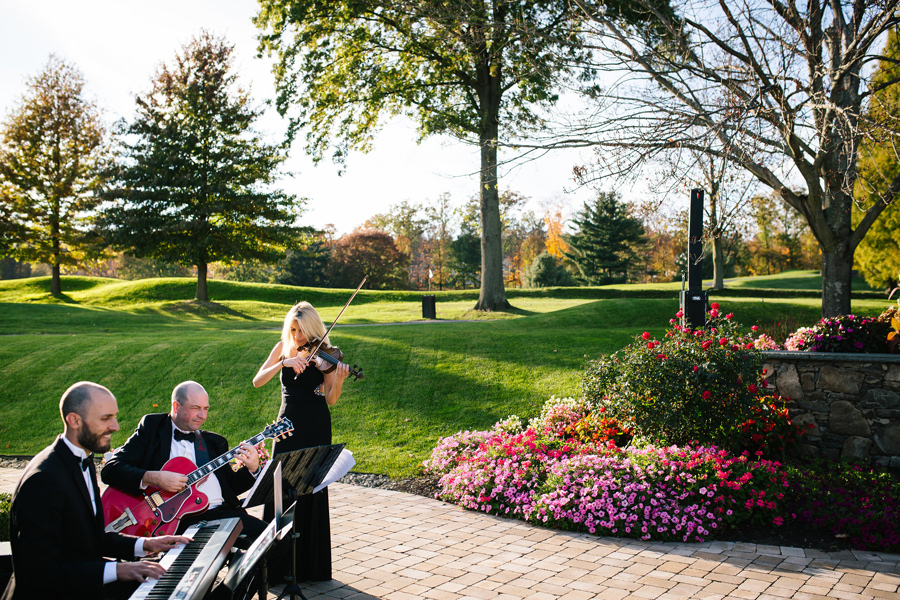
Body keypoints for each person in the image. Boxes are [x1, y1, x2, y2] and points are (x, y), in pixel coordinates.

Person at [1, 382, 191, 600]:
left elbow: (89, 538)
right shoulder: (43, 480)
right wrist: (118, 570)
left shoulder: (84, 460)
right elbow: (41, 571)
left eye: (115, 416)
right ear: (74, 420)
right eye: (105, 418)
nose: (116, 426)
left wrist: (145, 544)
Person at [252, 301, 349, 581]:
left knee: (312, 490)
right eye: (293, 329)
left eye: (303, 331)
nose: (297, 337)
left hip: (316, 425)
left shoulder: (327, 354)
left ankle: (310, 567)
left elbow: (330, 397)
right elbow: (258, 381)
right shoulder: (282, 347)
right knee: (280, 488)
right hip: (286, 427)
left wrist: (338, 380)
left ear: (314, 329)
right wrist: (285, 361)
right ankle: (277, 567)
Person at [100, 380, 267, 541]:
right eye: (196, 408)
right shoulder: (152, 428)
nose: (202, 415)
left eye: (206, 409)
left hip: (224, 515)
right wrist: (155, 478)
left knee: (276, 538)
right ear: (176, 406)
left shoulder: (215, 442)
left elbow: (232, 488)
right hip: (176, 524)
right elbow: (111, 470)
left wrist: (253, 469)